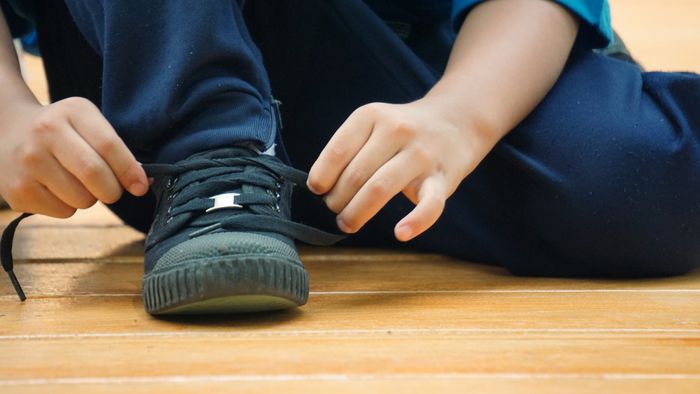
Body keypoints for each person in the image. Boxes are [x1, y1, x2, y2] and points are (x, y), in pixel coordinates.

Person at [1, 0, 699, 314]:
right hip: (155, 64)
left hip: (410, 57)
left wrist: (459, 118)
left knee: (635, 177)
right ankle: (214, 164)